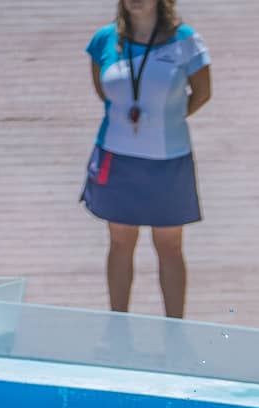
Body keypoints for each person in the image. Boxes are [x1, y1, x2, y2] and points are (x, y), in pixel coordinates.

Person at [83, 0, 212, 318]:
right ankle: (117, 325)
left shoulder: (185, 41)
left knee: (169, 247)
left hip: (167, 160)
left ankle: (175, 329)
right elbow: (103, 92)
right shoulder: (104, 40)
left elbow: (202, 92)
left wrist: (165, 119)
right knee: (120, 243)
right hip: (117, 157)